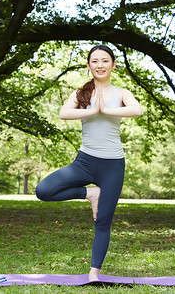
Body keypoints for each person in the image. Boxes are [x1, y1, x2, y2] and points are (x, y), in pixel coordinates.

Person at [35, 45, 142, 281]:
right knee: (43, 190)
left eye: (105, 61)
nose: (100, 65)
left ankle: (94, 272)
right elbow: (64, 113)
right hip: (84, 162)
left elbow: (137, 110)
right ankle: (89, 193)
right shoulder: (81, 94)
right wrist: (94, 111)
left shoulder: (121, 93)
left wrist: (109, 109)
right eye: (95, 61)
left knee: (103, 221)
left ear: (113, 65)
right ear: (88, 65)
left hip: (112, 165)